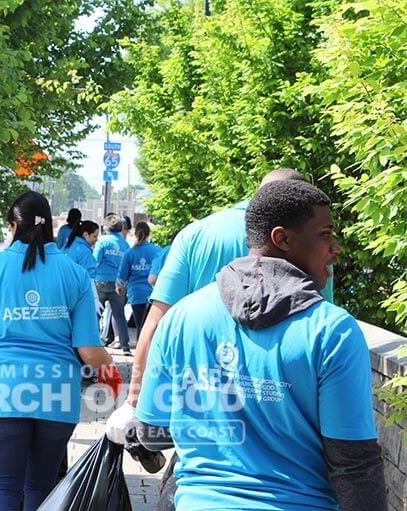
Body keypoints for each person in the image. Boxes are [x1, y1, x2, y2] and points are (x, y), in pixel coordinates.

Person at [134, 180, 385, 511]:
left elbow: (152, 430)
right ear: (282, 238)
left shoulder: (182, 316)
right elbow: (354, 466)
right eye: (325, 234)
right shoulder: (332, 330)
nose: (335, 247)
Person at [107, 167, 307, 446]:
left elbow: (156, 323)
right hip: (277, 412)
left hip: (201, 403)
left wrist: (133, 402)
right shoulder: (306, 245)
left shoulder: (197, 233)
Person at [0, 191, 113, 511]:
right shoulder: (74, 272)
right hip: (56, 392)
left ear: (13, 226)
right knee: (41, 489)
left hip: (2, 389)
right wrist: (110, 362)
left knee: (2, 488)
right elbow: (88, 350)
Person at [94, 213, 132, 354]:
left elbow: (95, 261)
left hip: (101, 281)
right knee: (119, 314)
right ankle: (125, 345)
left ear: (106, 227)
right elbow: (127, 265)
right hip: (118, 284)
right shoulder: (125, 244)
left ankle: (95, 342)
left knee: (96, 312)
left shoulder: (103, 241)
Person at [117, 222, 159, 339]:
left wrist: (119, 288)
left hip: (136, 293)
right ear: (148, 234)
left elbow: (122, 276)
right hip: (154, 293)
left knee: (140, 325)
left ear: (135, 234)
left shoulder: (129, 253)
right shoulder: (157, 251)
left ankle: (140, 351)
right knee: (153, 326)